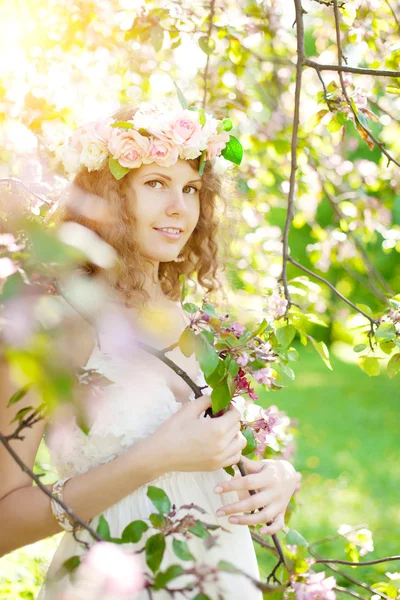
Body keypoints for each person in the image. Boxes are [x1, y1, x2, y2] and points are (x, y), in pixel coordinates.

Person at [0, 100, 299, 599]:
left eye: (191, 189)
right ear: (108, 197)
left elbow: (230, 460)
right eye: (156, 184)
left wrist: (279, 477)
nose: (179, 208)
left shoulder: (204, 328)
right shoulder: (52, 327)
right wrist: (150, 460)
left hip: (222, 579)